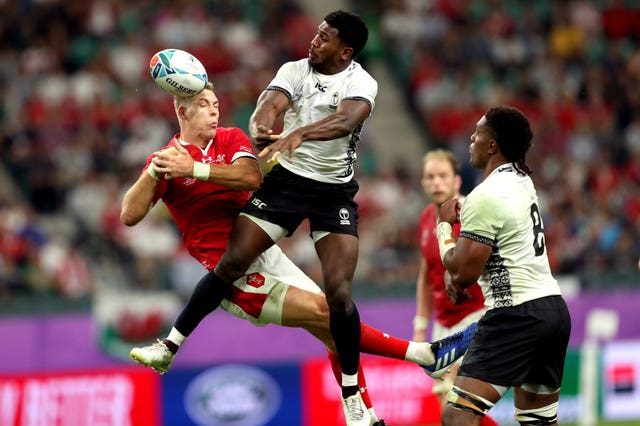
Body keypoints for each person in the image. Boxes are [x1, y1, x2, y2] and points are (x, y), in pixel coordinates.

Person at [123, 82, 477, 426]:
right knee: (325, 311)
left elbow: (249, 176)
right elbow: (130, 214)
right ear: (182, 111)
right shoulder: (168, 160)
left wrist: (197, 169)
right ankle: (423, 354)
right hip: (232, 274)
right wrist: (154, 171)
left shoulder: (229, 138)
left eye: (216, 104)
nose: (215, 110)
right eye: (204, 105)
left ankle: (362, 415)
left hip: (265, 251)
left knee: (332, 327)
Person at [136, 10, 385, 425]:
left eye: (325, 38)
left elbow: (347, 120)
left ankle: (350, 396)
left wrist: (301, 133)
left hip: (334, 192)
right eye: (316, 32)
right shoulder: (294, 69)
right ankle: (170, 346)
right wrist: (261, 127)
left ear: (345, 51)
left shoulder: (362, 82)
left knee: (339, 295)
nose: (314, 40)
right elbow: (268, 107)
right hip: (286, 185)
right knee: (231, 261)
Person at [436, 106, 572, 426]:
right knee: (537, 421)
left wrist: (444, 228)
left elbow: (463, 274)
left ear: (493, 145)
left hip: (515, 314)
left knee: (456, 418)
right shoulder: (522, 181)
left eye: (479, 132)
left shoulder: (487, 195)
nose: (472, 137)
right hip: (552, 310)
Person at [414, 149, 497, 426]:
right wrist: (420, 324)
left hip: (476, 315)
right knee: (447, 409)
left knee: (459, 403)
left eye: (442, 176)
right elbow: (427, 274)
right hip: (444, 322)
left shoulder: (470, 214)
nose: (436, 183)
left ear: (456, 181)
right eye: (430, 177)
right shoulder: (427, 218)